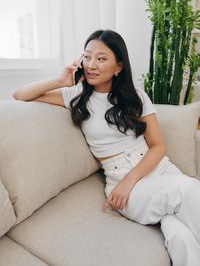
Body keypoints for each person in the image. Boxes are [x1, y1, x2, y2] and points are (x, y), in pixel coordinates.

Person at [13, 29, 200, 266]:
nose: (91, 64)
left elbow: (157, 146)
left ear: (118, 67)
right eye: (87, 56)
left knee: (180, 235)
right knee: (187, 189)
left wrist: (130, 180)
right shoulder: (75, 95)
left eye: (101, 58)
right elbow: (20, 95)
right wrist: (60, 80)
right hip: (124, 185)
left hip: (159, 171)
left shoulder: (137, 97)